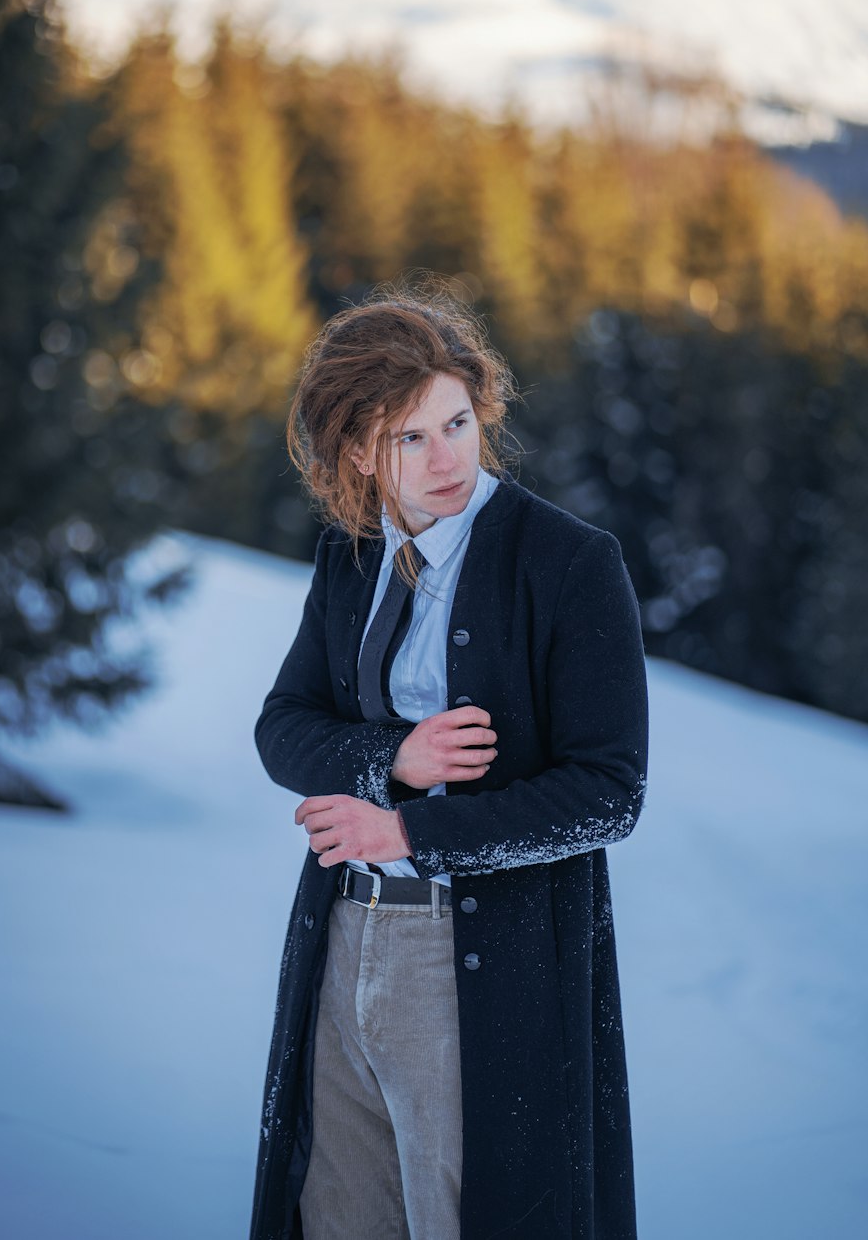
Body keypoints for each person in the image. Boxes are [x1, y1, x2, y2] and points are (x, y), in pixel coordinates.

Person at [249, 287, 649, 1240]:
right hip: (344, 938)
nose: (447, 459)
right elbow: (281, 728)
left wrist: (408, 829)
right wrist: (393, 760)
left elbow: (608, 796)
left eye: (458, 423)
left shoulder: (569, 564)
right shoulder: (350, 559)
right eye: (410, 439)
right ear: (357, 451)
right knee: (336, 1217)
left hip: (482, 963)